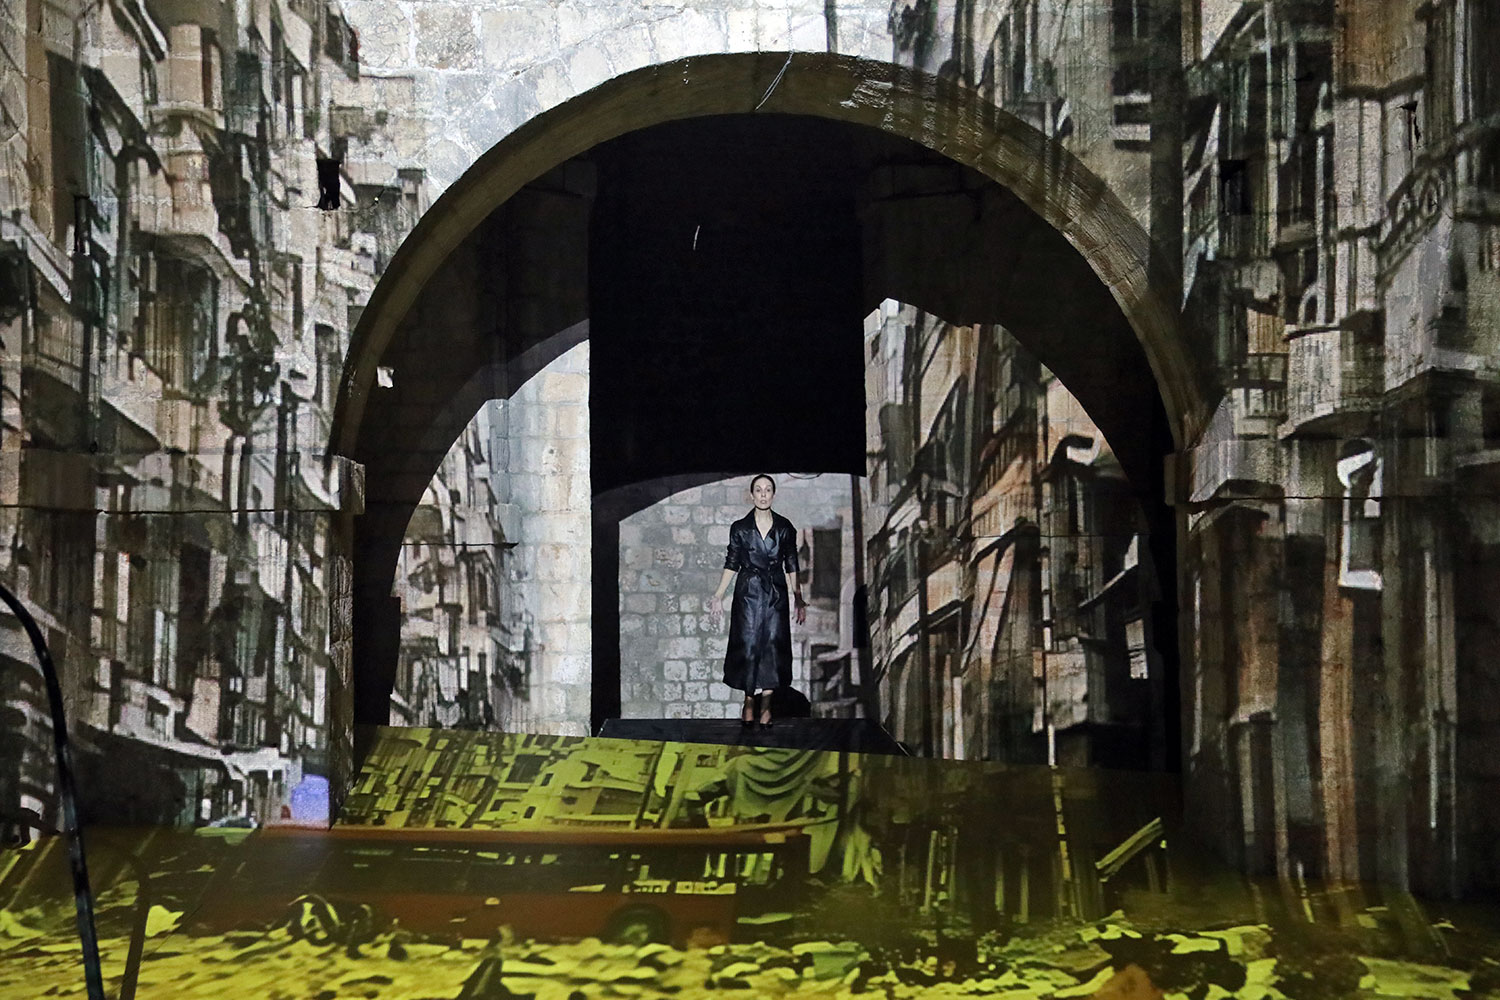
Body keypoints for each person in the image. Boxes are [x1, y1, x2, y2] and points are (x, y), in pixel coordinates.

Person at [708, 474, 807, 728]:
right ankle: (749, 700)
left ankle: (766, 705)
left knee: (773, 646)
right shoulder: (740, 528)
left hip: (775, 593)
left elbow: (791, 563)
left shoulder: (785, 527)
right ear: (752, 495)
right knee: (749, 645)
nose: (763, 494)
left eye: (768, 490)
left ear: (773, 494)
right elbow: (731, 563)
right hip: (748, 593)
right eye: (759, 490)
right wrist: (718, 595)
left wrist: (798, 596)